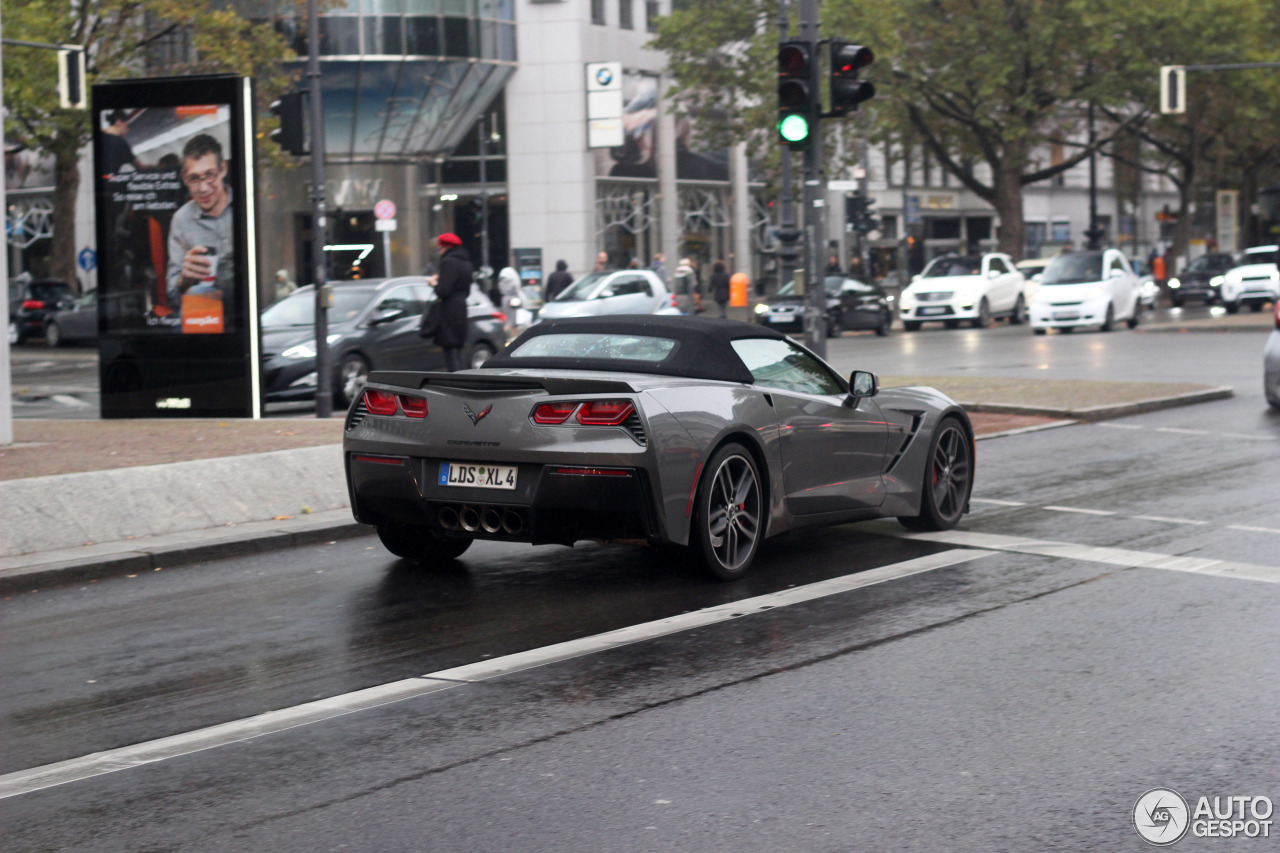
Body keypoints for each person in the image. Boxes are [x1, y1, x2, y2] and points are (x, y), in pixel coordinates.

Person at [166, 133, 234, 325]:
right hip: (207, 314)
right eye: (194, 179)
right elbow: (172, 292)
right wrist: (184, 278)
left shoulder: (246, 206)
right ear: (184, 178)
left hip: (247, 309)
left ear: (223, 169)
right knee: (197, 294)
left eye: (210, 176)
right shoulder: (181, 220)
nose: (203, 188)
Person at [430, 233, 472, 372]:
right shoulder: (465, 262)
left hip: (449, 311)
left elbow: (443, 291)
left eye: (440, 248)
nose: (439, 251)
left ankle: (456, 381)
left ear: (446, 247)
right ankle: (462, 378)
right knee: (458, 349)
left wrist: (434, 283)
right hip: (461, 308)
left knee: (450, 350)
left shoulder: (448, 262)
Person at [101, 110, 151, 175]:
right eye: (126, 126)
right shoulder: (121, 144)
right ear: (118, 122)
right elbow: (141, 168)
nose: (128, 130)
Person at [496, 265, 521, 331]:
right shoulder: (513, 282)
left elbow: (500, 290)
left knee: (507, 318)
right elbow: (516, 289)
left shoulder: (501, 282)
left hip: (504, 299)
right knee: (514, 319)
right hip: (513, 300)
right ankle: (514, 335)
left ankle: (506, 331)